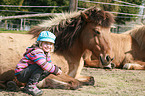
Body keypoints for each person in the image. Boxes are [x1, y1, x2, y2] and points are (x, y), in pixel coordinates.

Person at [14, 31, 62, 96]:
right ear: (40, 43)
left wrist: (56, 69)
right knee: (41, 66)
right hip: (21, 74)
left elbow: (49, 63)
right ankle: (31, 86)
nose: (48, 46)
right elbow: (43, 64)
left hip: (27, 73)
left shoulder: (46, 53)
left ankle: (29, 85)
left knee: (49, 69)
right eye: (46, 43)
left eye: (50, 44)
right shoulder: (37, 51)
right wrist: (55, 70)